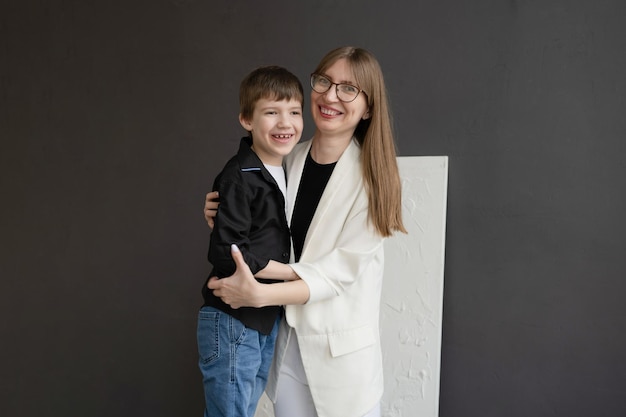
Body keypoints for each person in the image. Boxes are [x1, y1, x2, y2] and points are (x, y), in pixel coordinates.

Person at [204, 47, 406, 417]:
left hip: (341, 363)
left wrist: (257, 294)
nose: (330, 95)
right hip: (284, 350)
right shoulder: (283, 158)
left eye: (348, 89)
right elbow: (261, 234)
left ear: (369, 107)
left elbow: (338, 274)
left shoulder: (376, 178)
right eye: (324, 82)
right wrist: (223, 215)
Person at [198, 66, 304, 417]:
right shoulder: (239, 176)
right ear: (247, 119)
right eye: (271, 112)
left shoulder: (290, 170)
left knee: (248, 406)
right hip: (233, 321)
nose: (284, 123)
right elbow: (230, 251)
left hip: (263, 318)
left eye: (293, 112)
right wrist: (293, 274)